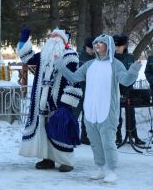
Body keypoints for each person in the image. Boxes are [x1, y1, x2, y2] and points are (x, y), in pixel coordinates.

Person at [55, 34, 141, 183]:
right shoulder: (89, 65)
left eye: (101, 43)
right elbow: (75, 77)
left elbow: (126, 81)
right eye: (96, 43)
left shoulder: (116, 65)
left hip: (107, 111)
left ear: (109, 46)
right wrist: (60, 65)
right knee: (95, 142)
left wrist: (134, 69)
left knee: (108, 142)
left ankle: (112, 170)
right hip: (90, 110)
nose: (97, 45)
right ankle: (101, 168)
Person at [17, 27, 83, 173]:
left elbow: (74, 80)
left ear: (63, 40)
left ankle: (66, 161)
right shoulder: (44, 55)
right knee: (44, 129)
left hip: (59, 102)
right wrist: (23, 41)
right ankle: (48, 159)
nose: (53, 38)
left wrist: (67, 102)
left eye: (56, 36)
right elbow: (27, 58)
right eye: (51, 35)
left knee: (61, 130)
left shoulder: (70, 56)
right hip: (41, 101)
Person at [113, 34, 145, 145]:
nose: (117, 48)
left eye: (119, 46)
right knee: (116, 114)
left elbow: (133, 74)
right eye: (115, 46)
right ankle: (117, 137)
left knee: (131, 113)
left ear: (124, 46)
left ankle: (133, 135)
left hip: (129, 89)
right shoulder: (111, 58)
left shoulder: (130, 57)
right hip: (116, 88)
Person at [76, 36, 96, 145]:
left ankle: (84, 136)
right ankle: (71, 135)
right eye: (91, 49)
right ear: (87, 47)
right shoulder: (79, 56)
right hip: (79, 90)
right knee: (74, 114)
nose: (93, 51)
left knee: (87, 116)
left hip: (90, 91)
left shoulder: (96, 57)